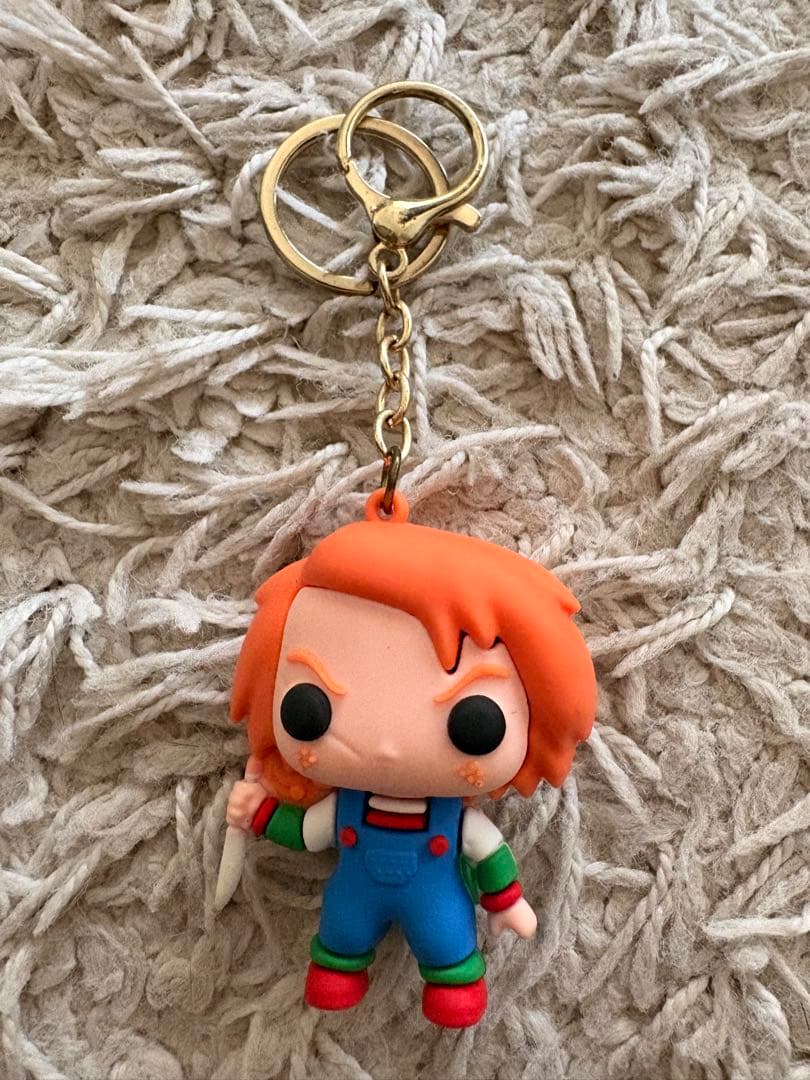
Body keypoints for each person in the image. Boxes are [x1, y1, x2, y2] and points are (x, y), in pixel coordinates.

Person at [226, 493, 596, 1027]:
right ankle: (337, 971)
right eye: (311, 710)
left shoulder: (453, 818)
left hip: (436, 898)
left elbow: (488, 850)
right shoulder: (344, 807)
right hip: (353, 896)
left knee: (445, 938)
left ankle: (454, 983)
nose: (387, 748)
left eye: (472, 722)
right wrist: (259, 813)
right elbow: (306, 833)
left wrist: (506, 901)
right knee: (343, 931)